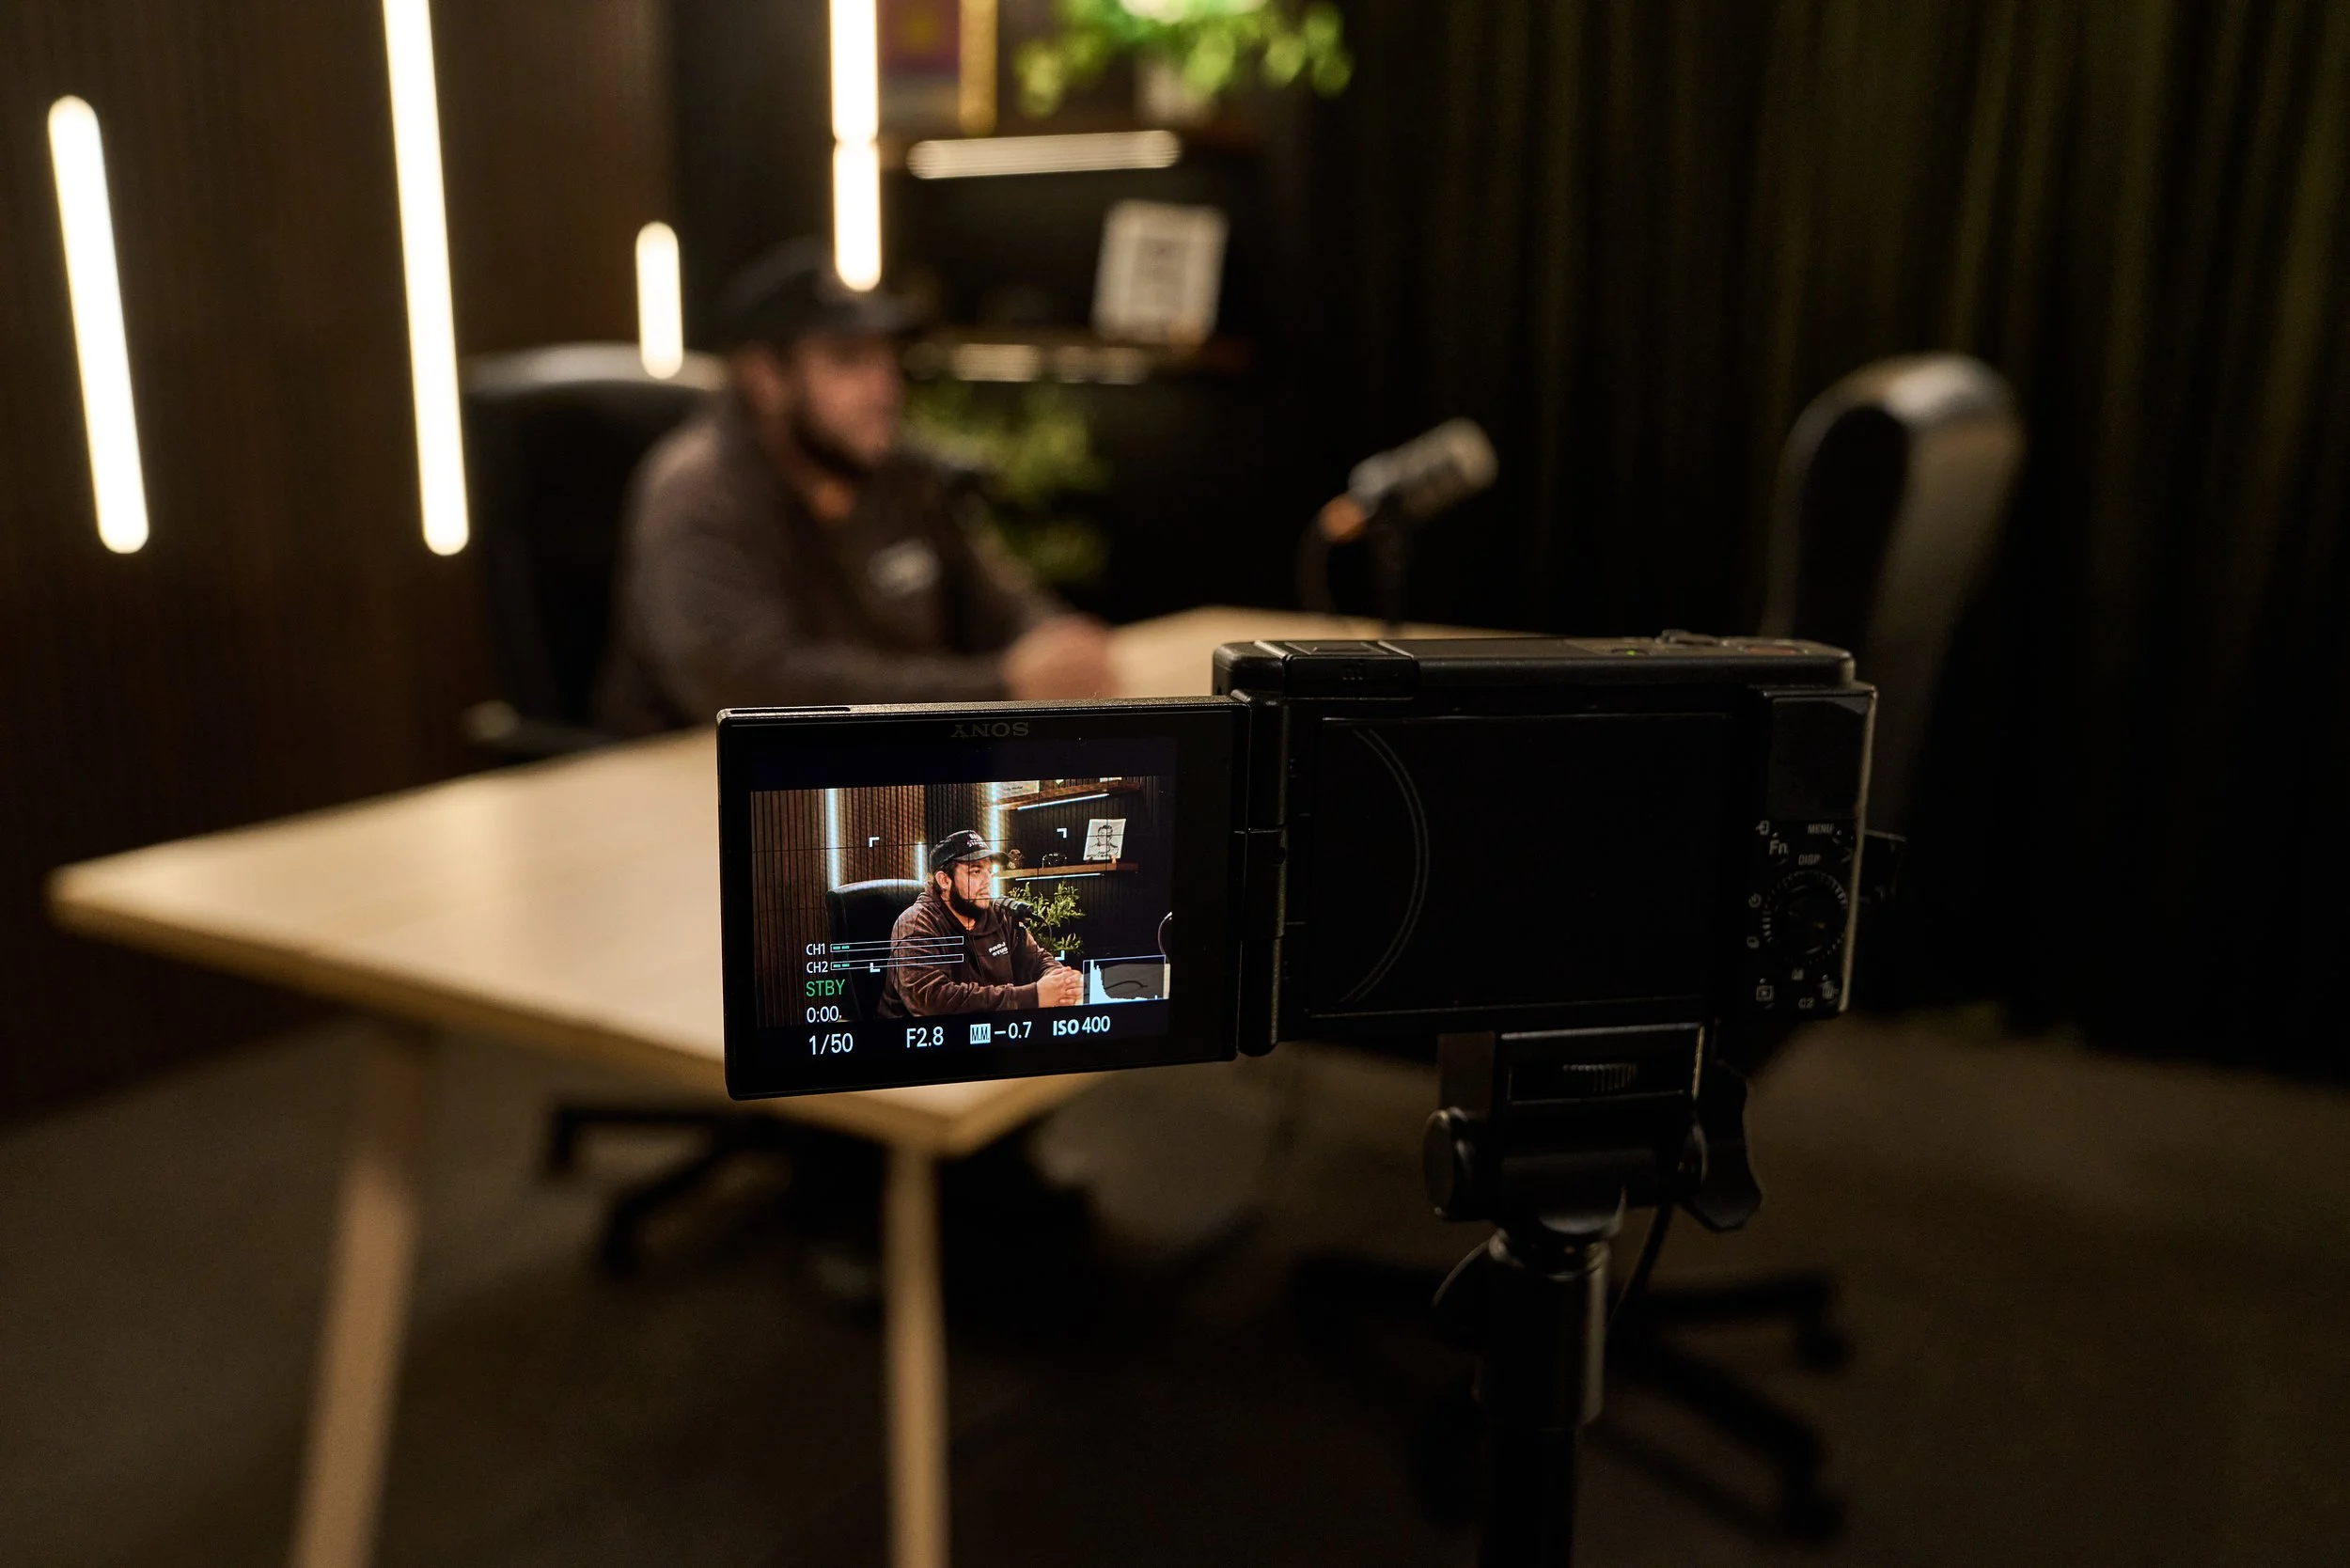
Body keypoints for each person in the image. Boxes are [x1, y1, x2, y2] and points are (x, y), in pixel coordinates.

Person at [598, 238, 1114, 734]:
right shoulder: (697, 493)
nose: (884, 386)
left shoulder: (897, 470)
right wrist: (996, 686)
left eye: (887, 357)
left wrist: (1057, 647)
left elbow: (1000, 604)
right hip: (690, 776)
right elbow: (749, 687)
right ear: (765, 377)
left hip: (884, 759)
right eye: (848, 359)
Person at [881, 831, 1085, 1017]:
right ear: (944, 880)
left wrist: (1062, 982)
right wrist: (1033, 996)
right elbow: (933, 1001)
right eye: (976, 872)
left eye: (989, 872)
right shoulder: (915, 924)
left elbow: (1037, 959)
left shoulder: (1000, 915)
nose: (988, 881)